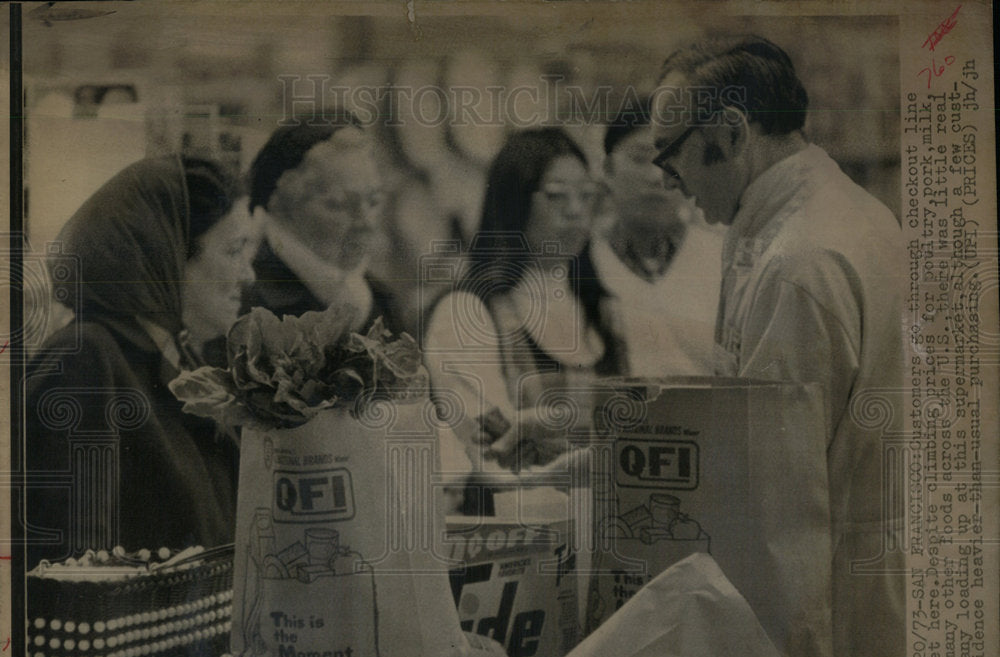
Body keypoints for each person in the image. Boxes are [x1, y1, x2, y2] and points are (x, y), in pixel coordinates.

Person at [652, 36, 905, 657]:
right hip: (867, 588)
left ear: (730, 134)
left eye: (671, 163)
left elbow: (774, 511)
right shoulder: (848, 213)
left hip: (836, 622)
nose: (673, 189)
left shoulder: (798, 263)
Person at [26, 156, 255, 569]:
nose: (249, 275)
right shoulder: (84, 359)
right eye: (235, 250)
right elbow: (72, 574)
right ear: (165, 255)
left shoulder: (177, 356)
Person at [424, 127, 627, 489]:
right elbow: (487, 457)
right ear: (513, 202)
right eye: (557, 197)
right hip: (514, 527)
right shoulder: (468, 312)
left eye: (586, 197)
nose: (577, 212)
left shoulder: (603, 310)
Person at [591, 98, 725, 376]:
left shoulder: (722, 258)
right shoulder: (584, 261)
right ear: (607, 169)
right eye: (640, 159)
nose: (656, 176)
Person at [242, 113, 402, 334]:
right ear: (286, 208)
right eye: (339, 205)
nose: (366, 222)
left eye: (373, 201)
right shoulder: (244, 302)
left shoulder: (382, 302)